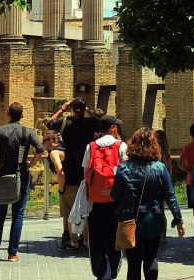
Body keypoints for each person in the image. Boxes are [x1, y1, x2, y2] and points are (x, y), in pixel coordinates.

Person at [111, 127, 185, 280]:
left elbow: (114, 195)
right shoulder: (159, 168)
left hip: (129, 220)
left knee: (133, 263)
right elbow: (170, 195)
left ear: (133, 144)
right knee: (151, 258)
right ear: (154, 146)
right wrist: (178, 219)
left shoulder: (123, 167)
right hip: (153, 219)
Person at [0, 101, 43, 262]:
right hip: (20, 175)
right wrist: (31, 164)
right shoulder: (27, 132)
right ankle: (12, 253)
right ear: (22, 115)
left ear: (7, 114)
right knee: (18, 215)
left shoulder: (0, 131)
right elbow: (40, 150)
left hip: (2, 176)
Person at [46, 98, 98, 249]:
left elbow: (49, 123)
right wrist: (88, 110)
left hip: (70, 165)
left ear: (71, 109)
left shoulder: (65, 122)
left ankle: (69, 237)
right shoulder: (89, 123)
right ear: (84, 109)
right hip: (87, 167)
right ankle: (85, 239)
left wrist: (63, 108)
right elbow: (101, 120)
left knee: (69, 207)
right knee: (86, 207)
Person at [83, 115, 127, 280]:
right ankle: (113, 271)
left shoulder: (91, 147)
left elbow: (85, 173)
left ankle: (100, 272)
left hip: (95, 202)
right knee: (114, 238)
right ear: (113, 128)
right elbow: (125, 174)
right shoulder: (121, 146)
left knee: (97, 239)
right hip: (115, 202)